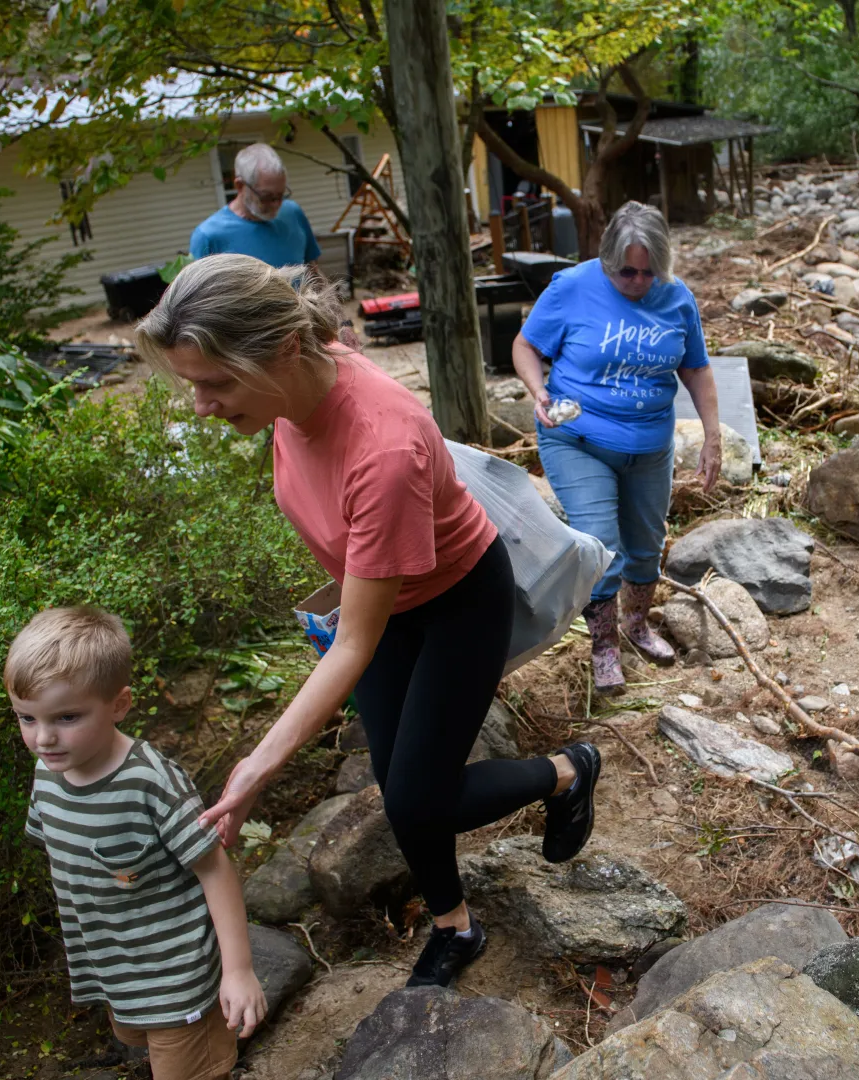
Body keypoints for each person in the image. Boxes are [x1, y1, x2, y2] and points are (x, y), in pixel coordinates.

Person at [134, 254, 601, 989]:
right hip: (387, 598)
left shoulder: (381, 446)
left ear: (283, 349)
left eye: (215, 383)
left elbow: (356, 641)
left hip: (456, 599)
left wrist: (257, 766)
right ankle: (458, 925)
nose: (201, 405)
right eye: (195, 384)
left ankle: (569, 771)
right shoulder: (297, 380)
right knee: (399, 785)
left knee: (421, 798)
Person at [8, 606, 266, 1080]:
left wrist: (238, 970)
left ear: (119, 704)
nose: (44, 738)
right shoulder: (47, 774)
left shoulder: (150, 782)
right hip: (119, 975)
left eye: (67, 717)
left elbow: (214, 868)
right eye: (26, 718)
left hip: (179, 979)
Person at [511, 201, 721, 694]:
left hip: (649, 444)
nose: (638, 281)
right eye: (626, 271)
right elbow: (526, 346)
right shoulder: (571, 287)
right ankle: (604, 646)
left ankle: (637, 625)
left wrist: (712, 435)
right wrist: (539, 391)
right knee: (601, 544)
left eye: (649, 272)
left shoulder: (676, 298)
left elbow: (696, 368)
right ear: (606, 261)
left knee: (646, 547)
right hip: (579, 437)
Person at [189, 142, 322, 270]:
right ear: (240, 186)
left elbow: (312, 270)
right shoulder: (208, 236)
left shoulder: (293, 213)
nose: (276, 204)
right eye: (266, 197)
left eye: (281, 195)